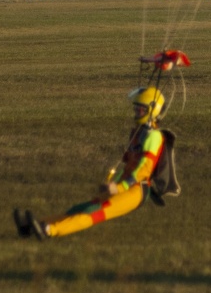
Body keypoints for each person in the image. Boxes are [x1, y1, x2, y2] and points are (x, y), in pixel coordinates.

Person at [14, 86, 172, 240]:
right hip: (123, 183)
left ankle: (49, 230)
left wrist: (119, 187)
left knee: (93, 213)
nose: (136, 112)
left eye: (141, 109)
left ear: (152, 110)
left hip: (136, 190)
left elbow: (143, 170)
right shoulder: (139, 133)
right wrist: (112, 183)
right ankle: (34, 226)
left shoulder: (154, 136)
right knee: (81, 208)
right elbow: (126, 166)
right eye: (136, 108)